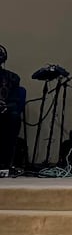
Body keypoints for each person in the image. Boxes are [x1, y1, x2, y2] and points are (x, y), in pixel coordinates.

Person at [0, 44, 24, 176]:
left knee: (13, 117)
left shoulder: (12, 77)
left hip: (5, 111)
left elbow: (15, 101)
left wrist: (4, 107)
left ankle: (7, 164)